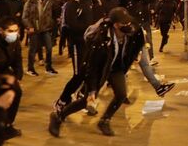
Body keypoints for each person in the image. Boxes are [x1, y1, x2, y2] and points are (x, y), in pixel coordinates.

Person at [48, 8, 146, 137]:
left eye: (128, 22)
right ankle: (58, 116)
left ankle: (104, 121)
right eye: (124, 23)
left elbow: (138, 42)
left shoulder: (132, 31)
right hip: (100, 69)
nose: (128, 25)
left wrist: (136, 54)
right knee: (86, 100)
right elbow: (92, 67)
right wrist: (92, 89)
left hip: (116, 68)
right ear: (115, 25)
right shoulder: (101, 40)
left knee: (121, 94)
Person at [23, 0, 58, 76]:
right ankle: (30, 68)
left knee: (49, 48)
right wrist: (29, 26)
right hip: (34, 29)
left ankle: (49, 67)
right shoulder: (30, 2)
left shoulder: (48, 1)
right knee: (33, 49)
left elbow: (58, 0)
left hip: (45, 28)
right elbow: (25, 17)